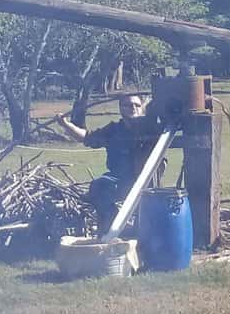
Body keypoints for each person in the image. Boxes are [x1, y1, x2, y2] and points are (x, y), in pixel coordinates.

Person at [55, 94, 162, 230]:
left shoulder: (152, 128)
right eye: (128, 105)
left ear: (142, 108)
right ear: (120, 109)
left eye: (137, 105)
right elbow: (87, 137)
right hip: (119, 179)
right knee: (98, 186)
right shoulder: (113, 130)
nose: (133, 108)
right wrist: (65, 124)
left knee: (148, 209)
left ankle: (139, 229)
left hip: (147, 180)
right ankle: (111, 226)